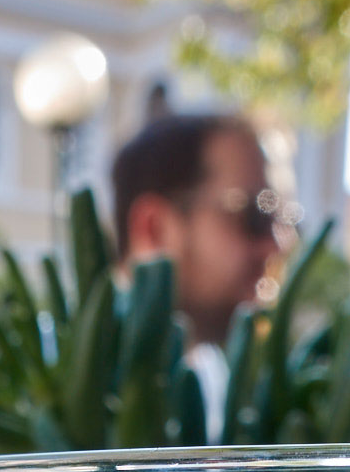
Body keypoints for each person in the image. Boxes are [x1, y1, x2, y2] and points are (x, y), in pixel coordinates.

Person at [111, 112, 281, 440]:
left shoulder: (213, 372)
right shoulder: (50, 375)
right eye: (254, 216)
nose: (275, 245)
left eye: (278, 219)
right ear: (155, 229)